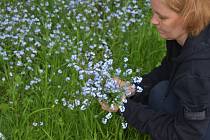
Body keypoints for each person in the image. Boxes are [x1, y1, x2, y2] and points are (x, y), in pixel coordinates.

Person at [100, 0, 210, 139]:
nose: (153, 21)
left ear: (190, 17)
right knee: (161, 92)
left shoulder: (197, 69)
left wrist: (125, 108)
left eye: (162, 17)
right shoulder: (185, 34)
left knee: (161, 97)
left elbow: (185, 135)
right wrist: (133, 88)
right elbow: (170, 69)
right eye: (154, 12)